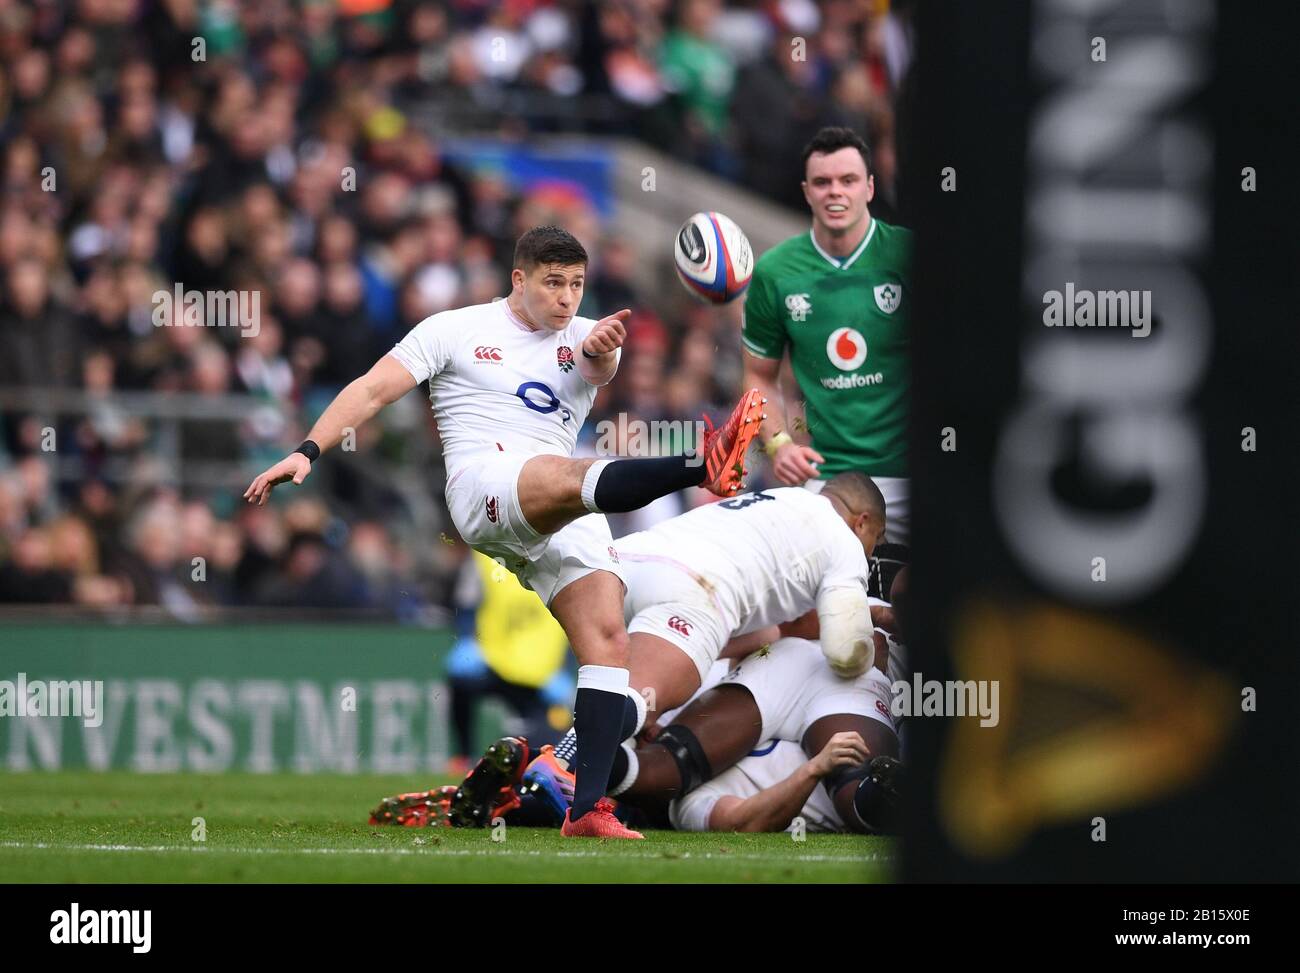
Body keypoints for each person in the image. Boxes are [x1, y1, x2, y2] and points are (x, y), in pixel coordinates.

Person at [245, 225, 765, 839]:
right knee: (567, 471)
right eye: (553, 284)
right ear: (518, 279)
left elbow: (597, 364)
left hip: (559, 505)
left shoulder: (588, 337)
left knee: (607, 642)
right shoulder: (455, 329)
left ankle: (587, 810)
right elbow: (372, 389)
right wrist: (308, 450)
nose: (567, 299)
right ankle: (702, 464)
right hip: (483, 486)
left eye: (576, 284)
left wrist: (601, 351)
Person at [741, 127, 913, 545]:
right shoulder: (776, 272)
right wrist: (779, 444)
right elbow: (757, 376)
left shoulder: (910, 256)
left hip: (915, 475)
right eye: (822, 182)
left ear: (870, 187)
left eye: (848, 181)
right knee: (819, 602)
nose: (835, 192)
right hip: (832, 478)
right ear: (806, 191)